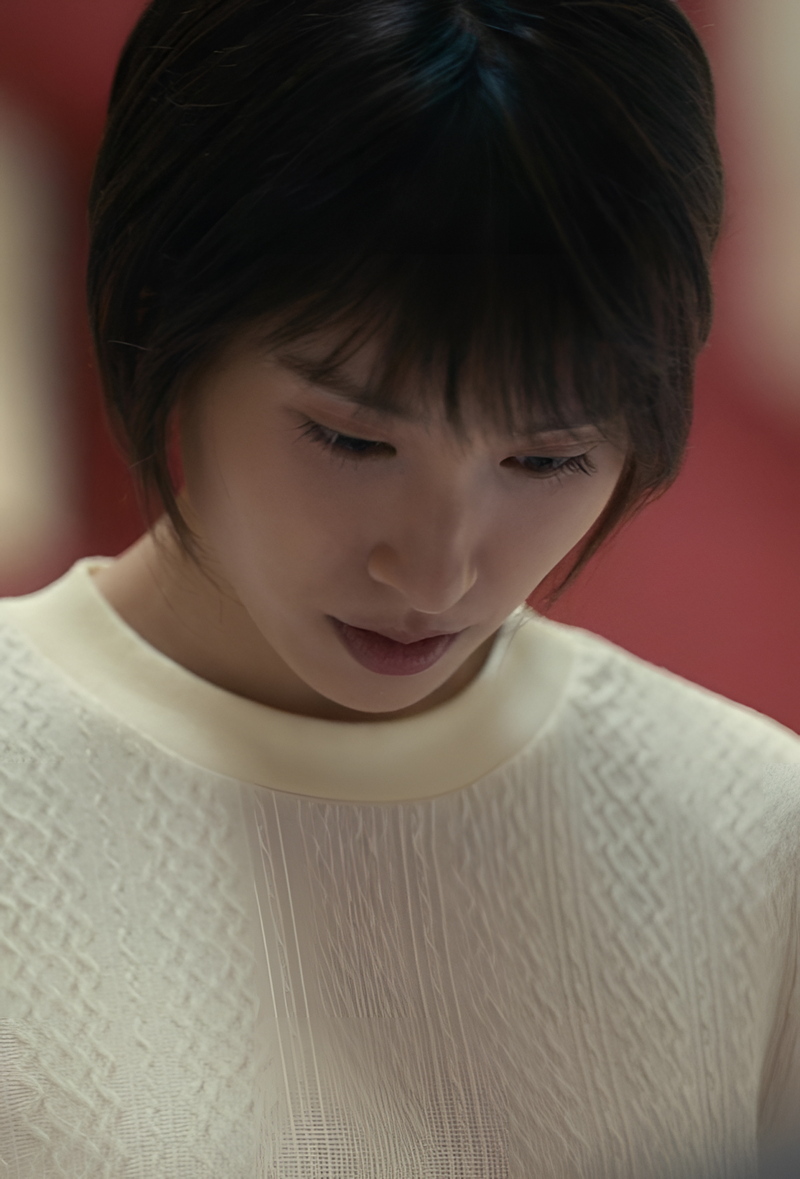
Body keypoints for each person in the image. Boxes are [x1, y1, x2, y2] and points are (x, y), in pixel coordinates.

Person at [0, 1, 798, 1175]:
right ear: (160, 314)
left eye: (545, 461)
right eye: (351, 441)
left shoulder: (748, 837)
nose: (435, 570)